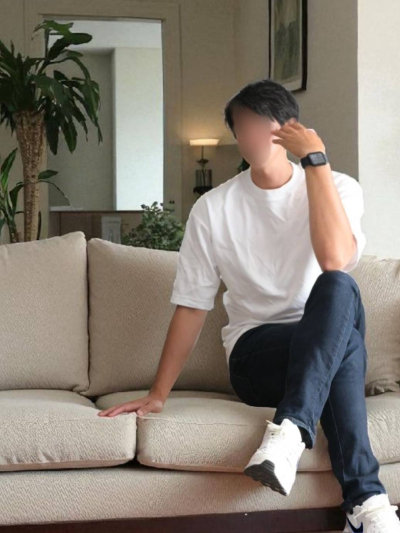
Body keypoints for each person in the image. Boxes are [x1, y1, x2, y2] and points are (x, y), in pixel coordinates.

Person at [97, 79, 400, 532]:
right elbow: (192, 305)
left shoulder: (339, 186)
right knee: (346, 349)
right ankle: (368, 505)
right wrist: (159, 394)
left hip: (323, 341)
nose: (252, 136)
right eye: (242, 128)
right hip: (257, 357)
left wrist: (315, 161)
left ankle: (290, 436)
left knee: (338, 286)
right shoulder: (214, 208)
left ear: (290, 128)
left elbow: (334, 258)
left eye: (262, 124)